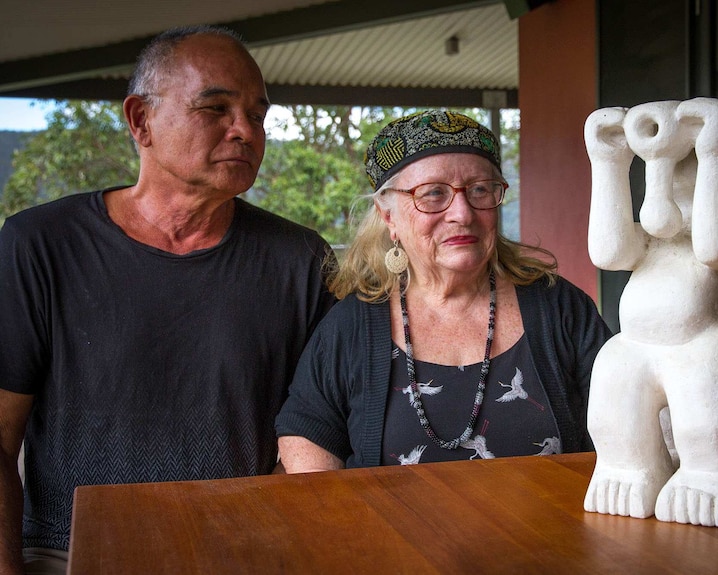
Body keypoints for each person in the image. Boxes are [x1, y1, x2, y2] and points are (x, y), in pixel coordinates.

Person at [0, 26, 336, 574]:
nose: (245, 131)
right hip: (67, 550)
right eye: (215, 108)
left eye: (258, 114)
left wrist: (262, 539)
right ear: (140, 121)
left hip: (242, 551)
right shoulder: (40, 245)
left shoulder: (299, 260)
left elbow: (320, 429)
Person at [275, 110, 611, 472]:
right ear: (389, 216)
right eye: (434, 194)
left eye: (480, 189)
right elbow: (308, 451)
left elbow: (629, 425)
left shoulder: (560, 310)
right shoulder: (351, 327)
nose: (462, 213)